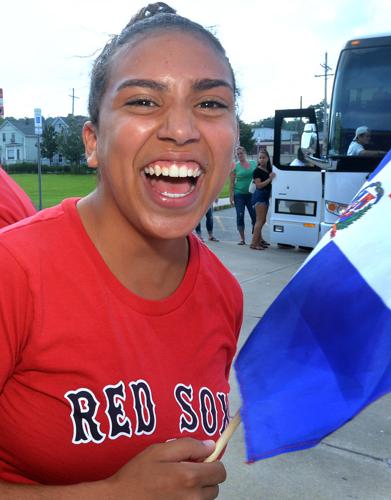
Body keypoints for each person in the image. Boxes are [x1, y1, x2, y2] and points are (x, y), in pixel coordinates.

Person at [0, 3, 241, 497]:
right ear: (93, 142)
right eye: (144, 102)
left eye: (212, 104)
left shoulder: (225, 294)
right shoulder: (14, 273)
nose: (181, 129)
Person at [229, 146, 256, 245]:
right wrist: (231, 197)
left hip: (251, 194)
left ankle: (256, 238)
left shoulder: (253, 163)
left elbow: (258, 176)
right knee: (240, 216)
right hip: (239, 194)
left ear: (245, 153)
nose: (240, 155)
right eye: (238, 154)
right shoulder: (235, 166)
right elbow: (231, 183)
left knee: (255, 216)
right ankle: (242, 239)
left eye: (241, 153)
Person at [249, 149, 275, 250]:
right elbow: (259, 185)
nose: (262, 159)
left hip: (265, 196)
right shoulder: (257, 171)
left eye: (264, 157)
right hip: (259, 196)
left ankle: (258, 241)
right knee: (259, 221)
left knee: (262, 220)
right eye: (260, 158)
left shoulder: (269, 170)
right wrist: (270, 179)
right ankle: (254, 244)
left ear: (268, 158)